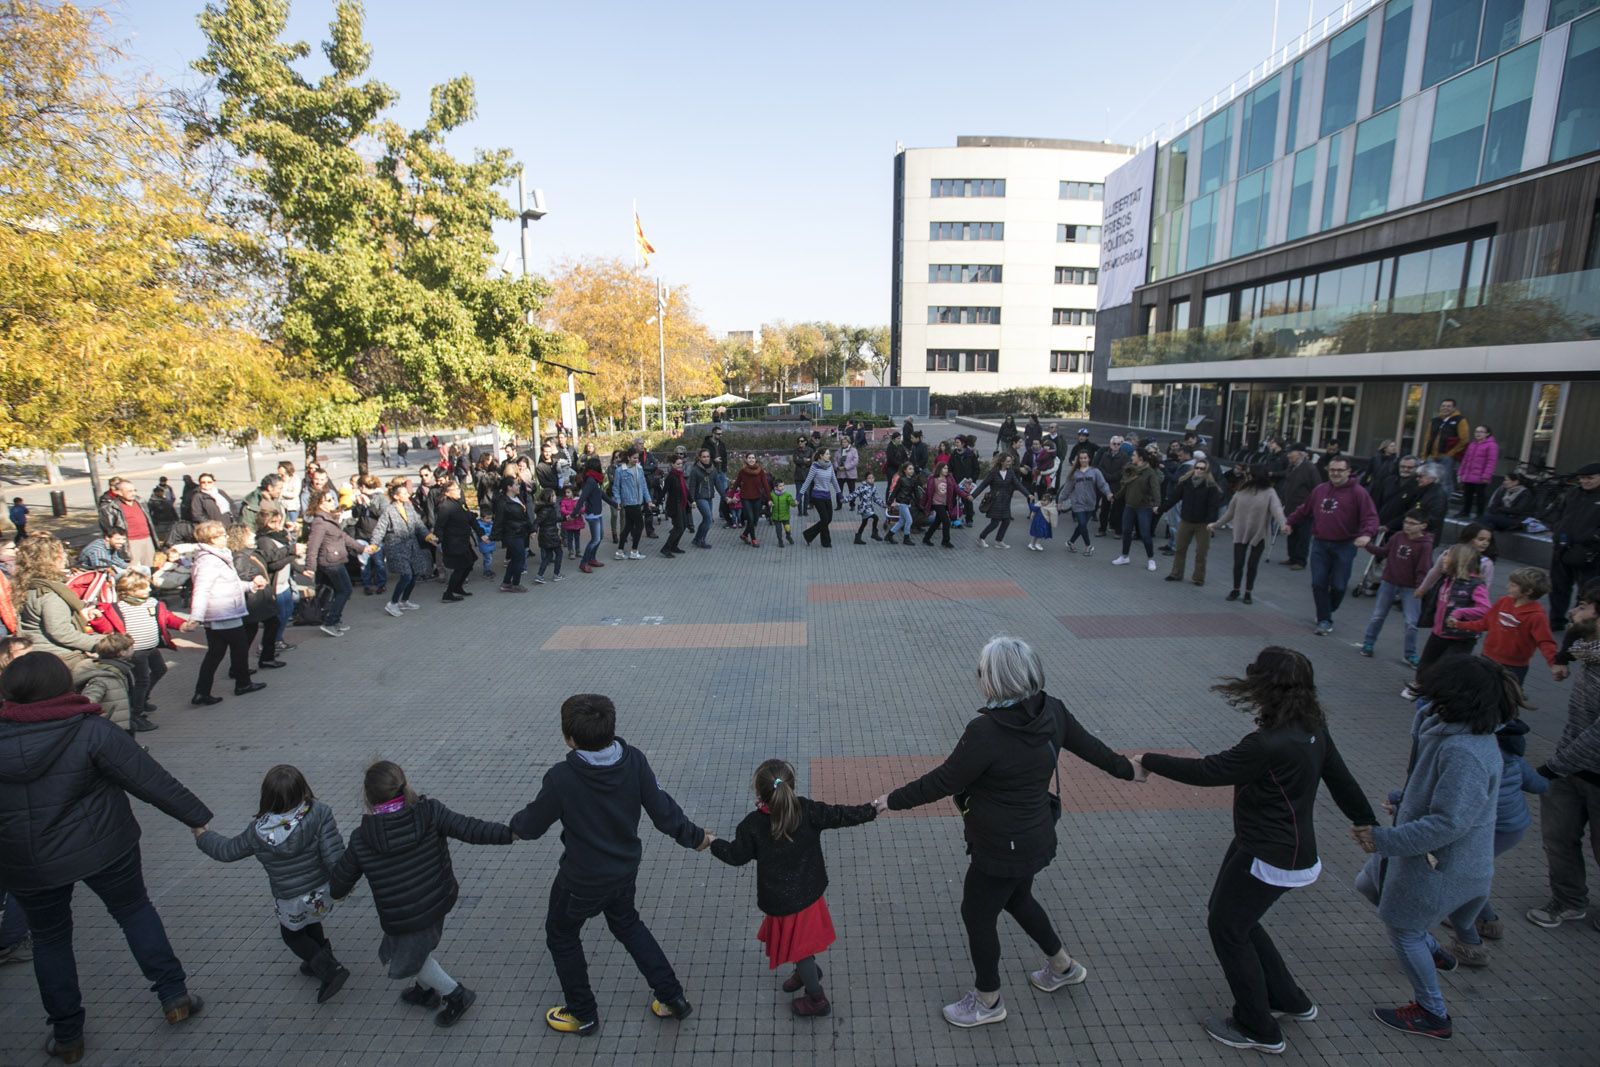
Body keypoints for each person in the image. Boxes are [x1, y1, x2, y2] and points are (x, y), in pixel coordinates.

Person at [874, 637, 1135, 1028]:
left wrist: (890, 801)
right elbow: (1096, 751)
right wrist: (1128, 769)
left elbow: (944, 781)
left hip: (1000, 848)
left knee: (977, 913)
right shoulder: (1054, 711)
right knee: (1017, 897)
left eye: (982, 672)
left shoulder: (985, 732)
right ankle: (1062, 967)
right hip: (1036, 836)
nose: (979, 678)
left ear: (996, 681)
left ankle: (987, 1001)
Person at [1134, 647, 1377, 1054]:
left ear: (1264, 686)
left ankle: (1257, 1027)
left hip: (1269, 853)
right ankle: (1289, 1000)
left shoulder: (1266, 745)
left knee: (1227, 928)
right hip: (1271, 844)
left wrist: (1147, 760)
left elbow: (1208, 771)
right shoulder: (1312, 725)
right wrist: (1365, 821)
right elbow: (1342, 780)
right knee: (1234, 918)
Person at [0, 651, 211, 1062]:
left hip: (28, 862)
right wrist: (196, 819)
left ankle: (67, 1036)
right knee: (134, 911)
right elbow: (148, 778)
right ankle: (174, 996)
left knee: (50, 939)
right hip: (105, 847)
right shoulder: (89, 729)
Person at [510, 694, 708, 1037]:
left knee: (562, 935)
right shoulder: (634, 761)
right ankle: (671, 996)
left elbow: (530, 826)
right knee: (628, 924)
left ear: (569, 738)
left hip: (580, 882)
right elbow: (663, 811)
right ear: (611, 727)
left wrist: (512, 827)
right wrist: (695, 837)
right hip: (623, 871)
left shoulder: (562, 777)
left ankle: (583, 1014)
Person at [1357, 657, 1517, 1040]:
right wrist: (1405, 799)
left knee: (1402, 929)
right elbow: (1434, 788)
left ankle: (1432, 1012)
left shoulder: (1464, 750)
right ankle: (1433, 950)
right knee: (1368, 885)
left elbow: (1449, 822)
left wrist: (1384, 839)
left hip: (1441, 864)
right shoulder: (1450, 733)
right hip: (1425, 854)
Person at [330, 760, 513, 1028]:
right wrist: (510, 833)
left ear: (368, 797)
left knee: (414, 959)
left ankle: (456, 995)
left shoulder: (362, 839)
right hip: (438, 900)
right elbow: (470, 829)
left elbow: (338, 886)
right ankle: (424, 991)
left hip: (403, 916)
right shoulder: (430, 812)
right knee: (416, 949)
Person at [707, 758, 876, 1017]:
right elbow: (842, 815)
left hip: (784, 903)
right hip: (810, 894)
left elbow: (734, 856)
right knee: (801, 946)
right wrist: (873, 809)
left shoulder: (753, 825)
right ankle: (805, 971)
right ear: (791, 786)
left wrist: (712, 842)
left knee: (802, 950)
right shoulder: (806, 810)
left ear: (758, 791)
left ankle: (816, 998)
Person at [193, 765, 350, 1003]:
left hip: (289, 897)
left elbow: (227, 851)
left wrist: (203, 836)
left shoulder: (257, 831)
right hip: (320, 891)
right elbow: (333, 855)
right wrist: (343, 882)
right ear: (303, 788)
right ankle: (316, 961)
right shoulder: (319, 812)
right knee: (311, 922)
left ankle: (329, 968)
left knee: (292, 935)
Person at [1527, 582, 1600, 929]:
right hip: (1570, 768)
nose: (1573, 612)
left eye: (1583, 606)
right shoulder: (1590, 652)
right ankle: (1569, 901)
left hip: (1584, 769)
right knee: (1558, 838)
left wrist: (1552, 768)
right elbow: (1570, 646)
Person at [1442, 717, 1546, 954]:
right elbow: (1540, 786)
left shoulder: (1481, 762)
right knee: (1469, 874)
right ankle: (1488, 922)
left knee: (1458, 879)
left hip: (1488, 829)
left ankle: (1469, 943)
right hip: (1513, 829)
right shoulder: (1516, 762)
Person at [14, 534, 132, 721]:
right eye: (61, 554)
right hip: (60, 658)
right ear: (49, 560)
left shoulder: (30, 587)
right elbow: (61, 632)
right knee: (112, 679)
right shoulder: (50, 595)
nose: (65, 558)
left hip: (39, 654)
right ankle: (117, 729)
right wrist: (102, 642)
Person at [87, 571, 194, 731]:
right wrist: (97, 619)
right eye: (143, 588)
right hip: (134, 651)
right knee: (142, 680)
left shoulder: (152, 603)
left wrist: (182, 625)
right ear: (129, 590)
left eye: (147, 587)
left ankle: (142, 699)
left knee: (159, 670)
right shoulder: (118, 608)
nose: (148, 590)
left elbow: (167, 617)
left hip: (150, 648)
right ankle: (135, 714)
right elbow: (107, 627)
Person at [1283, 457, 1378, 636]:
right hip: (1320, 543)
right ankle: (1324, 619)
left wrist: (1366, 534)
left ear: (1348, 472)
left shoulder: (1359, 493)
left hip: (1345, 545)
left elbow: (1370, 517)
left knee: (1339, 585)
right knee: (1318, 582)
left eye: (1340, 470)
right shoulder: (1320, 490)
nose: (1335, 473)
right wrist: (1289, 522)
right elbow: (1304, 509)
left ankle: (1327, 607)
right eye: (1332, 470)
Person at [188, 520, 268, 707]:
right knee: (238, 649)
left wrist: (250, 586)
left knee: (216, 654)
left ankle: (202, 692)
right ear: (212, 539)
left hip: (224, 613)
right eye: (222, 534)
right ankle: (242, 684)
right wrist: (196, 617)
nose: (226, 537)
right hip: (223, 613)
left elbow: (230, 583)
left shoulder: (218, 557)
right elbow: (201, 590)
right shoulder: (209, 561)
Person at [1400, 544, 1491, 702]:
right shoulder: (1448, 579)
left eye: (1447, 555)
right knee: (1426, 662)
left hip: (1461, 637)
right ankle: (1421, 687)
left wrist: (1459, 613)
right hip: (1439, 632)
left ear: (1459, 560)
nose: (1443, 558)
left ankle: (1441, 694)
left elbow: (1485, 608)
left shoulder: (1476, 585)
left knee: (1447, 666)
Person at [1451, 568, 1561, 686]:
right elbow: (1485, 623)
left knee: (1506, 698)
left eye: (1513, 585)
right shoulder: (1503, 601)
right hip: (1487, 658)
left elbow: (1545, 642)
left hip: (1514, 667)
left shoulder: (1536, 616)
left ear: (1528, 591)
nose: (1507, 586)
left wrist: (1554, 663)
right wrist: (1459, 624)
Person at [1360, 512, 1434, 663]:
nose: (1407, 526)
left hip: (1410, 587)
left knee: (1411, 622)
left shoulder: (1425, 545)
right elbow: (1384, 552)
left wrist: (1420, 588)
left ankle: (1410, 654)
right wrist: (1367, 545)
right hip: (1389, 582)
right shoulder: (1398, 536)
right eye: (1406, 522)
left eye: (1412, 523)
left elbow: (1423, 569)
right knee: (1378, 616)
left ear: (1423, 526)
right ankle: (1368, 643)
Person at [1209, 465, 1286, 605]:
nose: (1247, 476)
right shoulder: (1241, 492)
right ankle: (1235, 589)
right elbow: (1229, 513)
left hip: (1259, 533)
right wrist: (1216, 524)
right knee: (1238, 563)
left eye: (1249, 474)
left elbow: (1277, 510)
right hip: (1240, 532)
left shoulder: (1270, 492)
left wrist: (1283, 524)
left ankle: (1248, 592)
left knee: (1252, 565)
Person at [302, 490, 374, 637]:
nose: (332, 502)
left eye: (331, 499)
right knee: (345, 590)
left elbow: (344, 537)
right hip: (331, 562)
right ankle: (330, 622)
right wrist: (310, 567)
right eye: (328, 500)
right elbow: (313, 546)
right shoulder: (320, 522)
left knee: (336, 591)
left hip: (336, 559)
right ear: (320, 504)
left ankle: (334, 620)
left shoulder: (328, 518)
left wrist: (362, 548)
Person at [370, 480, 437, 616]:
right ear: (396, 496)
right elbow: (380, 529)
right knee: (406, 575)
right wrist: (374, 544)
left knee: (415, 573)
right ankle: (393, 603)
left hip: (412, 546)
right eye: (404, 493)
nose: (408, 495)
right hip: (396, 547)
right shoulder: (389, 511)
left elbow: (418, 524)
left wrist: (428, 536)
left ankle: (404, 600)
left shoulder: (409, 507)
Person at [1547, 463, 1600, 631]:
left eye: (1590, 478)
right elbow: (1558, 512)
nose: (1585, 481)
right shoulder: (1573, 493)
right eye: (1582, 478)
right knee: (1558, 587)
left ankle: (1579, 625)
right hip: (1562, 547)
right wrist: (1557, 530)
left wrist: (1593, 539)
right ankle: (1556, 620)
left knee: (1586, 592)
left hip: (1589, 552)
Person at [1165, 457, 1224, 586]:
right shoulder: (1186, 482)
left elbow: (1213, 507)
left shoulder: (1211, 486)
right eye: (1197, 468)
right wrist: (1160, 509)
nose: (1198, 470)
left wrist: (1211, 523)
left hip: (1203, 524)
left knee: (1201, 552)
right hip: (1186, 521)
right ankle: (1176, 573)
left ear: (1206, 471)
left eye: (1202, 469)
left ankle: (1198, 578)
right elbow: (1173, 498)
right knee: (1180, 549)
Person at [1112, 448, 1161, 571]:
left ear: (1140, 458)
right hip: (1129, 506)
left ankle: (1151, 559)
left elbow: (1156, 489)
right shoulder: (1130, 470)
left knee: (1145, 534)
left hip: (1144, 508)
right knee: (1126, 531)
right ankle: (1124, 556)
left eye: (1134, 455)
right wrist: (1115, 497)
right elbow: (1124, 487)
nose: (1131, 457)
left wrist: (1157, 504)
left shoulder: (1149, 472)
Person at [1276, 446, 1323, 570]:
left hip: (1305, 509)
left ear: (1300, 454)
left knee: (1303, 536)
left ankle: (1301, 561)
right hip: (1291, 507)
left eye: (1291, 453)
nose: (1288, 455)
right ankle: (1292, 557)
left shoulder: (1310, 468)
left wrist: (1312, 506)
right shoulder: (1291, 467)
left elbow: (1317, 488)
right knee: (1292, 534)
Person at [97, 478, 158, 570]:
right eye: (129, 491)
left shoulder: (140, 501)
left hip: (147, 539)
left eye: (134, 490)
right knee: (131, 570)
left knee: (150, 568)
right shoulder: (110, 507)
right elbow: (108, 528)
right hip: (129, 542)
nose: (133, 493)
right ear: (119, 492)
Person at [434, 480, 479, 601]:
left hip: (463, 541)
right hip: (453, 543)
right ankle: (448, 594)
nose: (459, 491)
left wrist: (480, 532)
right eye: (456, 489)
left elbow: (469, 517)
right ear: (447, 493)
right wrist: (439, 541)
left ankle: (458, 587)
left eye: (458, 488)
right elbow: (439, 526)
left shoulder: (459, 503)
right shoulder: (445, 507)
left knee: (469, 563)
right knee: (460, 567)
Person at [1062, 450, 1111, 555]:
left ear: (1089, 459)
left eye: (1085, 458)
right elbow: (1067, 488)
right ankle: (1088, 546)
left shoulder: (1095, 472)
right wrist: (1060, 500)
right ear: (1078, 460)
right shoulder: (1075, 474)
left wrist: (1108, 493)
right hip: (1077, 503)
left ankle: (1070, 542)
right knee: (1083, 524)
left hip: (1090, 503)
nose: (1083, 460)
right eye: (1081, 458)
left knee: (1081, 526)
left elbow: (1102, 484)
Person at [491, 473, 532, 592]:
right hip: (512, 535)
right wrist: (494, 536)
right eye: (516, 485)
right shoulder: (503, 503)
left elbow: (524, 516)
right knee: (519, 559)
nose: (518, 486)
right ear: (509, 487)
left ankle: (506, 583)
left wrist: (531, 529)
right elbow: (498, 521)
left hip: (520, 532)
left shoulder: (517, 498)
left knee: (515, 559)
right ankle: (516, 583)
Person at [1421, 398, 1470, 497]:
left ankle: (1444, 505)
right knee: (1429, 480)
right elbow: (1427, 438)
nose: (1445, 408)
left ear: (1454, 408)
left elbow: (1464, 439)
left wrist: (1450, 453)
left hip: (1447, 457)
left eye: (1448, 406)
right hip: (1432, 456)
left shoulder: (1460, 420)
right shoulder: (1435, 420)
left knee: (1445, 482)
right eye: (1443, 406)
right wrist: (1424, 455)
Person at [973, 454, 1023, 549]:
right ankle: (981, 538)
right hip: (995, 500)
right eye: (1008, 461)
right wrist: (973, 495)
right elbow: (983, 485)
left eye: (1010, 461)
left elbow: (1018, 484)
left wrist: (1028, 494)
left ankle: (999, 541)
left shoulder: (1010, 472)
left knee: (1006, 521)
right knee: (995, 522)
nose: (1010, 463)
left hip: (1005, 500)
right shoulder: (994, 472)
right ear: (1002, 462)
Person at [611, 451, 651, 560]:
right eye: (634, 458)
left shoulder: (639, 469)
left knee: (628, 526)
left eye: (637, 458)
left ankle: (620, 551)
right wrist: (618, 501)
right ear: (628, 458)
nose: (636, 460)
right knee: (640, 525)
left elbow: (643, 485)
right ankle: (634, 551)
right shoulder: (620, 471)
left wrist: (648, 500)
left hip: (638, 501)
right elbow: (615, 488)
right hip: (629, 502)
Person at [799, 447, 841, 547]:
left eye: (829, 454)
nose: (829, 455)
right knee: (825, 519)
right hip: (817, 496)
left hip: (827, 495)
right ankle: (826, 542)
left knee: (828, 519)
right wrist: (799, 495)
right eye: (827, 454)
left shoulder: (830, 466)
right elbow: (807, 481)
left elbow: (834, 480)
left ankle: (808, 534)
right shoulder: (815, 467)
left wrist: (839, 493)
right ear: (821, 456)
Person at [576, 458, 612, 574]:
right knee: (595, 539)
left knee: (599, 537)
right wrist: (574, 513)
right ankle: (584, 562)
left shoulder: (595, 479)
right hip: (592, 514)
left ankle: (592, 558)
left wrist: (615, 504)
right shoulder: (591, 480)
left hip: (597, 512)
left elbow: (601, 494)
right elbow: (582, 498)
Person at [1457, 426, 1499, 518]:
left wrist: (1486, 476)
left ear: (1487, 434)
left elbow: (1491, 462)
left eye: (1481, 432)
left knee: (1480, 496)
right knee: (1467, 495)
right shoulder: (1472, 444)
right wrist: (1461, 473)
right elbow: (1465, 460)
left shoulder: (1492, 445)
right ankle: (1465, 511)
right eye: (1476, 431)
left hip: (1480, 476)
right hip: (1468, 475)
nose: (1478, 433)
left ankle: (1480, 514)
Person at [733, 453, 773, 548]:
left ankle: (744, 535)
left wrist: (769, 499)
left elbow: (766, 485)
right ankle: (754, 539)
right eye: (749, 458)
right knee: (750, 519)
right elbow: (736, 484)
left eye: (753, 458)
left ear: (756, 459)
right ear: (746, 460)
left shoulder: (760, 471)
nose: (751, 460)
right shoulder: (742, 471)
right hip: (745, 498)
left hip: (757, 498)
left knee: (755, 520)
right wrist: (730, 496)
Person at [921, 462, 964, 548]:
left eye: (947, 468)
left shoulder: (949, 478)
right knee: (946, 522)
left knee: (937, 522)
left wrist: (966, 495)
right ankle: (945, 541)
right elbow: (927, 493)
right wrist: (923, 503)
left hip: (945, 503)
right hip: (936, 503)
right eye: (944, 468)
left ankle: (926, 538)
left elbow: (956, 488)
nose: (946, 470)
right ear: (939, 469)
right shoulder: (932, 479)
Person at [1094, 436, 1129, 536]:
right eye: (1114, 444)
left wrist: (1112, 476)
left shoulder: (1124, 456)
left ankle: (1118, 531)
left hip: (1118, 487)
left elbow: (1123, 470)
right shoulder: (1105, 455)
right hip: (1106, 486)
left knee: (1118, 510)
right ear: (1110, 444)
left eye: (1118, 444)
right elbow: (1100, 467)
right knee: (1104, 509)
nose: (1116, 446)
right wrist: (1107, 476)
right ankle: (1102, 529)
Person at [658, 456, 692, 558]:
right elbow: (664, 491)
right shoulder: (671, 477)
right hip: (674, 505)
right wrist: (657, 503)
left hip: (682, 504)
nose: (680, 466)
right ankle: (666, 548)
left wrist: (692, 501)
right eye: (677, 464)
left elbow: (685, 490)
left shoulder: (680, 476)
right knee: (678, 527)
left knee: (684, 525)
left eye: (681, 464)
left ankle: (674, 546)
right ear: (672, 465)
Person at [688, 449, 719, 549]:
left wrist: (725, 496)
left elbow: (718, 484)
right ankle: (701, 540)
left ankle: (697, 539)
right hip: (700, 497)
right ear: (700, 458)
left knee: (706, 519)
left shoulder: (713, 469)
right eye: (704, 457)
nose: (706, 459)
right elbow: (692, 486)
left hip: (709, 497)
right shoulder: (695, 470)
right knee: (708, 519)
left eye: (708, 456)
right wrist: (692, 500)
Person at [531, 490, 565, 583]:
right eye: (553, 495)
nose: (555, 497)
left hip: (546, 535)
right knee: (559, 553)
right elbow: (537, 521)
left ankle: (540, 575)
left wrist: (565, 518)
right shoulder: (547, 509)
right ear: (548, 498)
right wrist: (534, 531)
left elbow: (553, 519)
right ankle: (556, 574)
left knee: (548, 556)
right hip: (551, 535)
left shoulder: (547, 508)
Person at [851, 473, 883, 544]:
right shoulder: (862, 487)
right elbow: (853, 494)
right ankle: (874, 534)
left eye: (872, 478)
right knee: (876, 517)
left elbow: (876, 499)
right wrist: (844, 500)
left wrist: (884, 504)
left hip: (869, 508)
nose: (871, 479)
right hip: (864, 508)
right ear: (866, 479)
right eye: (869, 478)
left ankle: (857, 538)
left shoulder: (873, 488)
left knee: (864, 523)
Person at [768, 478, 797, 547]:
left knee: (787, 528)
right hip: (776, 517)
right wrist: (769, 502)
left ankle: (788, 536)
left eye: (783, 485)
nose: (782, 487)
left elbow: (791, 502)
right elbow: (768, 500)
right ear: (775, 487)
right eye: (780, 486)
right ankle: (780, 541)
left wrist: (794, 503)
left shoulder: (787, 495)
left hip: (785, 516)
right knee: (778, 530)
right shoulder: (772, 495)